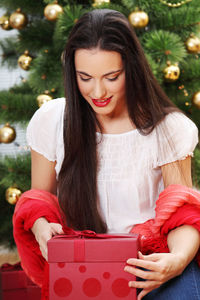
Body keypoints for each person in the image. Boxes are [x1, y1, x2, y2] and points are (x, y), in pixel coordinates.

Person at [13, 8, 200, 300]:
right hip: (85, 267)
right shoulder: (52, 120)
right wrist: (41, 227)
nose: (97, 91)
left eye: (112, 77)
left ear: (132, 68)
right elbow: (40, 202)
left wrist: (175, 262)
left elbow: (183, 215)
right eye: (84, 77)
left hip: (152, 264)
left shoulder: (168, 129)